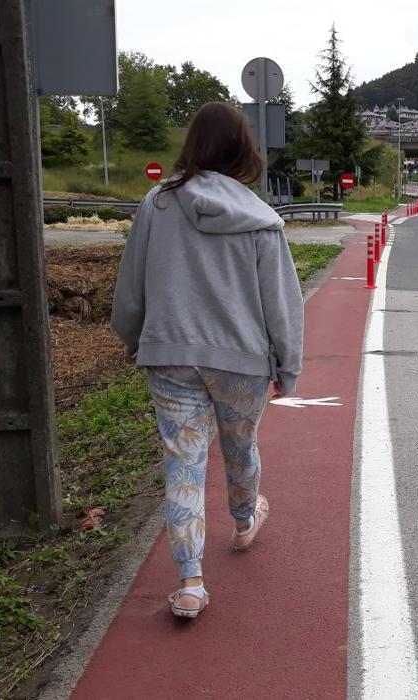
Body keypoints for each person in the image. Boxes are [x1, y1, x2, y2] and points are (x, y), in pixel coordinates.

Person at [111, 102, 304, 619]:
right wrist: (287, 364)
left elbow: (133, 283)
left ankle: (191, 582)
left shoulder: (158, 204)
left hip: (170, 354)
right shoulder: (263, 219)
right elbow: (280, 301)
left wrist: (134, 334)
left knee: (184, 461)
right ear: (245, 150)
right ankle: (243, 522)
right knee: (240, 445)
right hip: (241, 360)